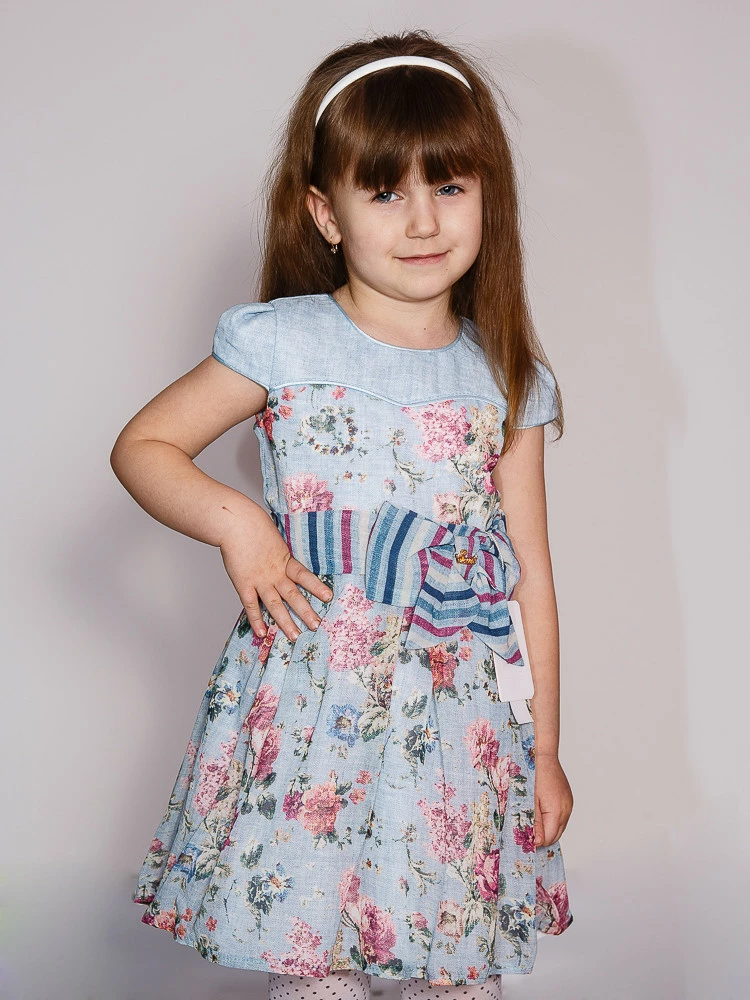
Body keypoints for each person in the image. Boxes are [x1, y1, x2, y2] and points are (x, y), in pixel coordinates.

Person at [111, 28, 574, 1000]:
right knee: (320, 969)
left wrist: (543, 752)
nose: (423, 219)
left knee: (456, 972)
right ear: (326, 212)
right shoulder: (283, 342)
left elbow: (526, 570)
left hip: (457, 726)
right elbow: (145, 446)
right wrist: (239, 524)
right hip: (315, 709)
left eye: (450, 185)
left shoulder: (507, 378)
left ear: (489, 195)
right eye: (385, 191)